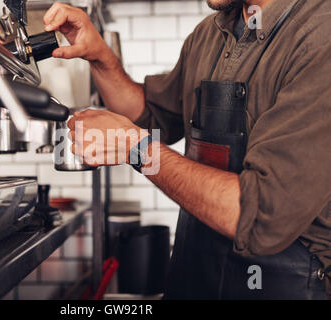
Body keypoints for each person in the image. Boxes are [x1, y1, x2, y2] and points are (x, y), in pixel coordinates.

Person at [43, 0, 330, 299]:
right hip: (194, 277)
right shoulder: (211, 32)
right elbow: (150, 115)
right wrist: (99, 55)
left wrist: (137, 149)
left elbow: (260, 215)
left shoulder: (320, 36)